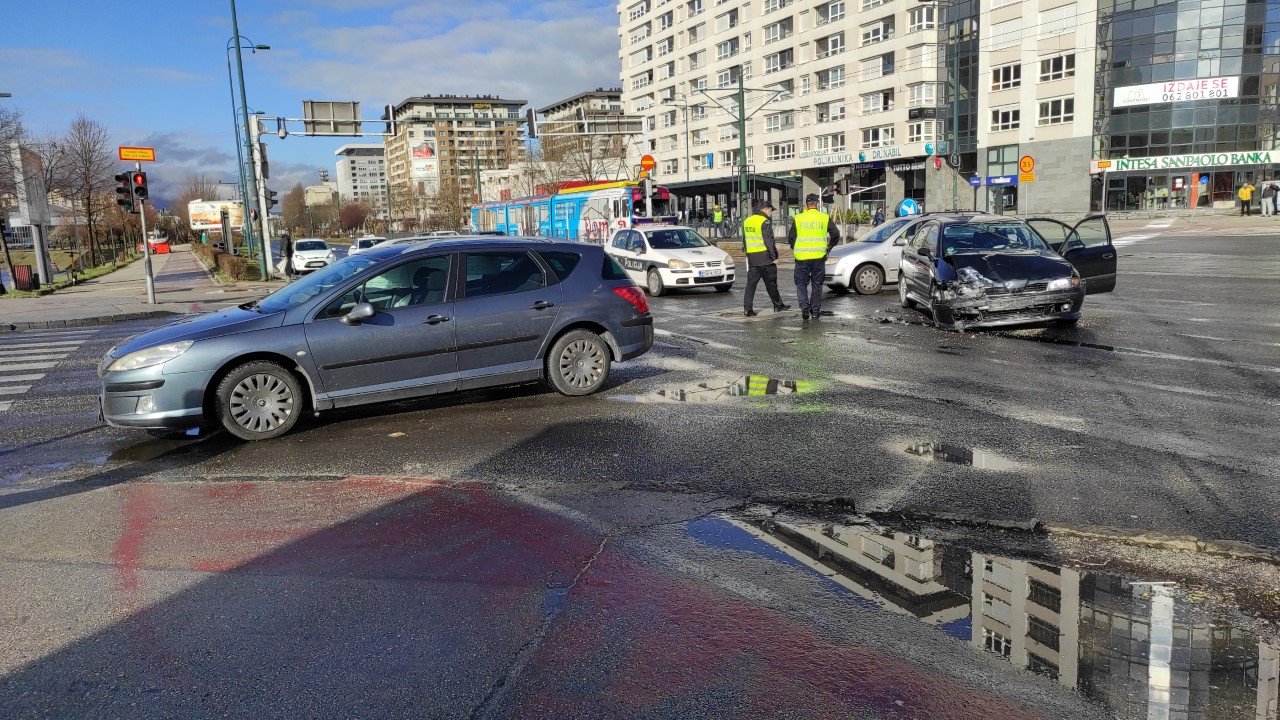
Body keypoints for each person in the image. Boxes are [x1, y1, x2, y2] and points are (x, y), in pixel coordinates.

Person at [787, 193, 841, 321]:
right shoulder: (824, 217)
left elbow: (791, 238)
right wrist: (829, 247)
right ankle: (815, 311)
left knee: (801, 283)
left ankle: (805, 307)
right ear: (817, 204)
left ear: (806, 204)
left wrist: (796, 247)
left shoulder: (799, 218)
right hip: (819, 256)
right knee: (817, 284)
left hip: (801, 257)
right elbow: (836, 234)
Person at [741, 200, 790, 317]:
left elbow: (745, 240)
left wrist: (747, 254)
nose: (771, 213)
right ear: (766, 209)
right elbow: (769, 241)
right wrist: (774, 257)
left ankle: (747, 309)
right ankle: (778, 305)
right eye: (771, 210)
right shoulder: (765, 221)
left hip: (752, 258)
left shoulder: (747, 221)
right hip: (765, 258)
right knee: (771, 283)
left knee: (751, 285)